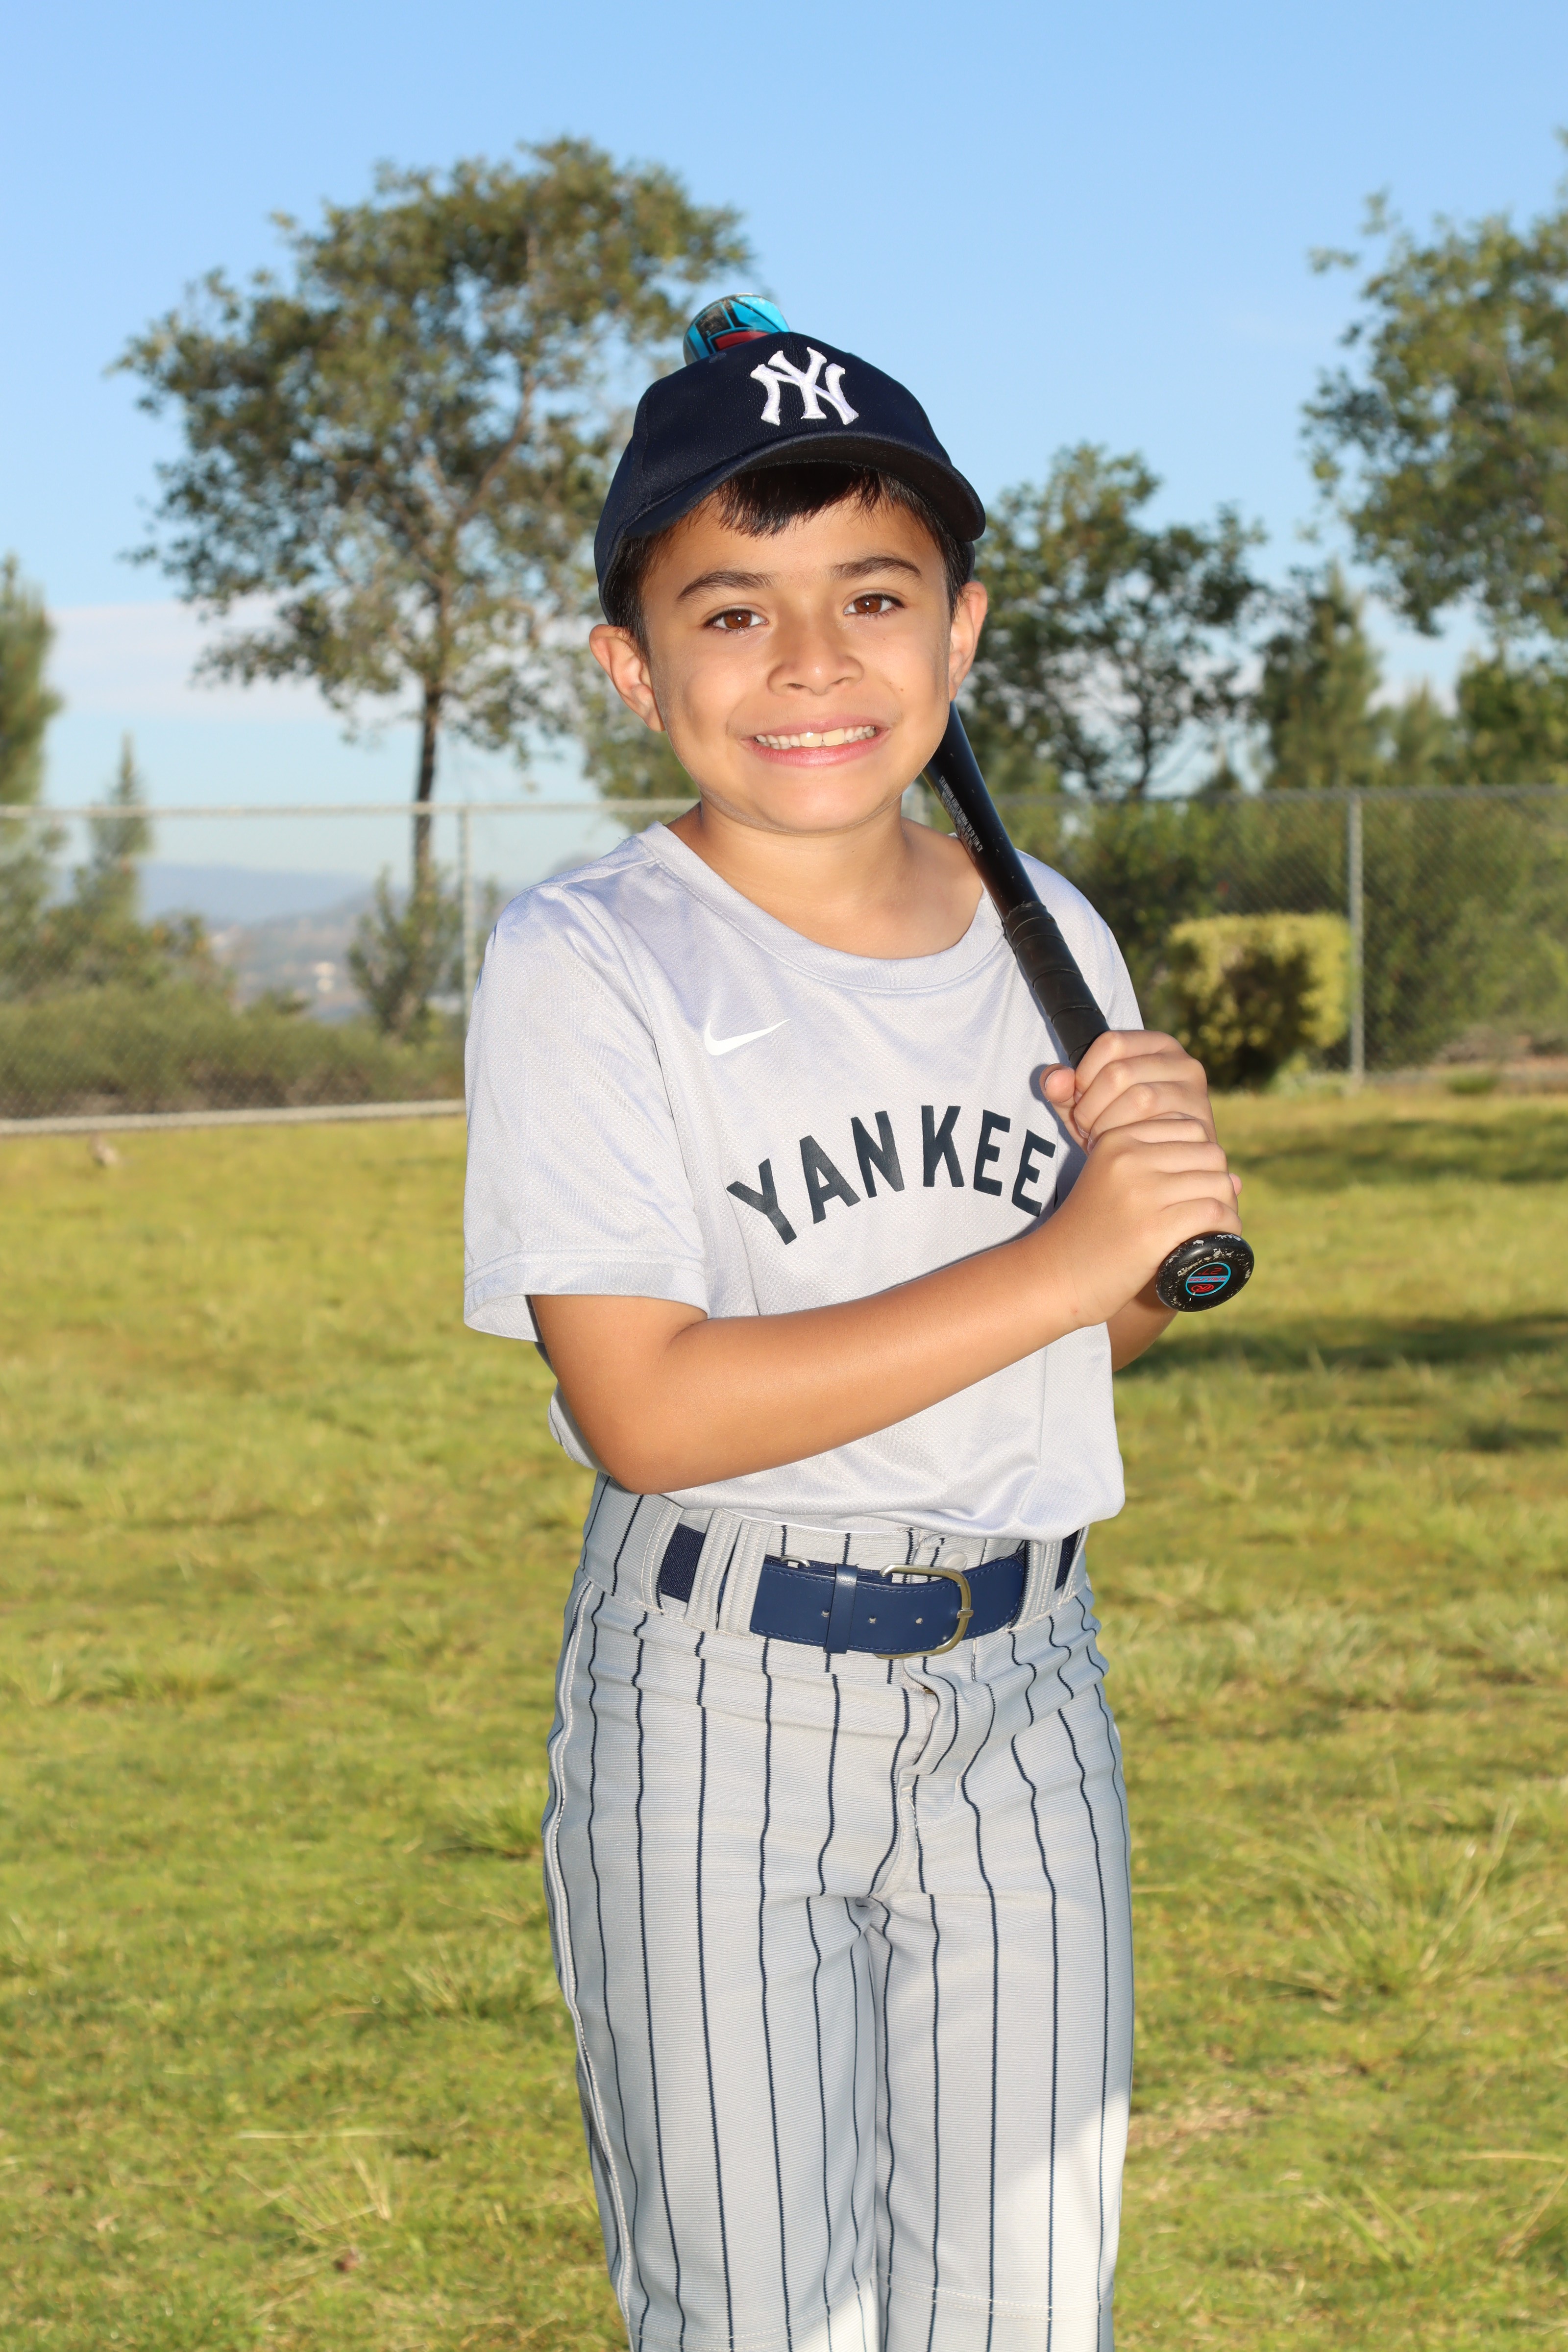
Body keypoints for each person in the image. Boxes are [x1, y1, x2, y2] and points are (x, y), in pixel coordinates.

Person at [463, 304, 1243, 2352]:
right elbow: (643, 1409)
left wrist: (1144, 1249)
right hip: (723, 1689)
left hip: (1027, 1686)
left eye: (873, 598)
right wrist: (1068, 1262)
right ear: (633, 669)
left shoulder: (1049, 934)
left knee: (1023, 2308)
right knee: (761, 2312)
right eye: (733, 613)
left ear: (958, 634)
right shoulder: (589, 959)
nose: (812, 663)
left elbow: (1092, 1343)